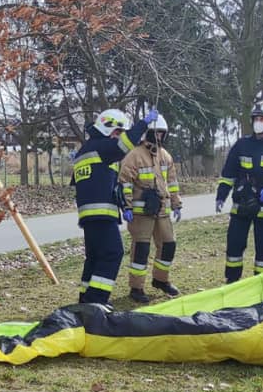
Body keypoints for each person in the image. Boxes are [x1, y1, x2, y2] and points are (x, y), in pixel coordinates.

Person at [72, 108, 156, 305]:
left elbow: (99, 183)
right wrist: (143, 124)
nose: (118, 137)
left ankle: (85, 299)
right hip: (102, 213)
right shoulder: (102, 147)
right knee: (112, 253)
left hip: (88, 215)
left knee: (94, 257)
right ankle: (97, 300)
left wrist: (122, 204)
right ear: (107, 128)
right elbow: (124, 145)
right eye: (118, 132)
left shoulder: (87, 150)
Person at [117, 113, 183, 302]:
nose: (160, 137)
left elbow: (172, 182)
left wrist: (177, 203)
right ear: (148, 133)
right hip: (141, 213)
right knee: (141, 249)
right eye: (157, 133)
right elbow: (125, 183)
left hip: (162, 210)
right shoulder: (134, 155)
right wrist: (127, 207)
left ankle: (161, 280)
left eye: (163, 133)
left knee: (169, 245)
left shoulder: (165, 155)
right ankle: (136, 288)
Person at [216, 101, 263, 283]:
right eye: (256, 118)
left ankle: (260, 285)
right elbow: (228, 174)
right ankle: (231, 283)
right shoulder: (241, 145)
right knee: (234, 248)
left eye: (262, 118)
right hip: (241, 207)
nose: (258, 122)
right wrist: (221, 195)